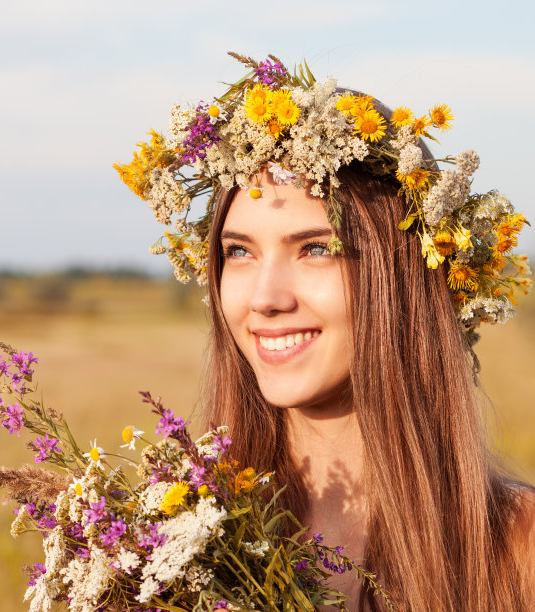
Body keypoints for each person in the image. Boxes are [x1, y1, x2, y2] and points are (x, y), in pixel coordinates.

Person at [116, 52, 534, 610]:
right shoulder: (158, 549)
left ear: (404, 275)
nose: (265, 299)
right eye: (239, 252)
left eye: (315, 248)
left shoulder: (517, 552)